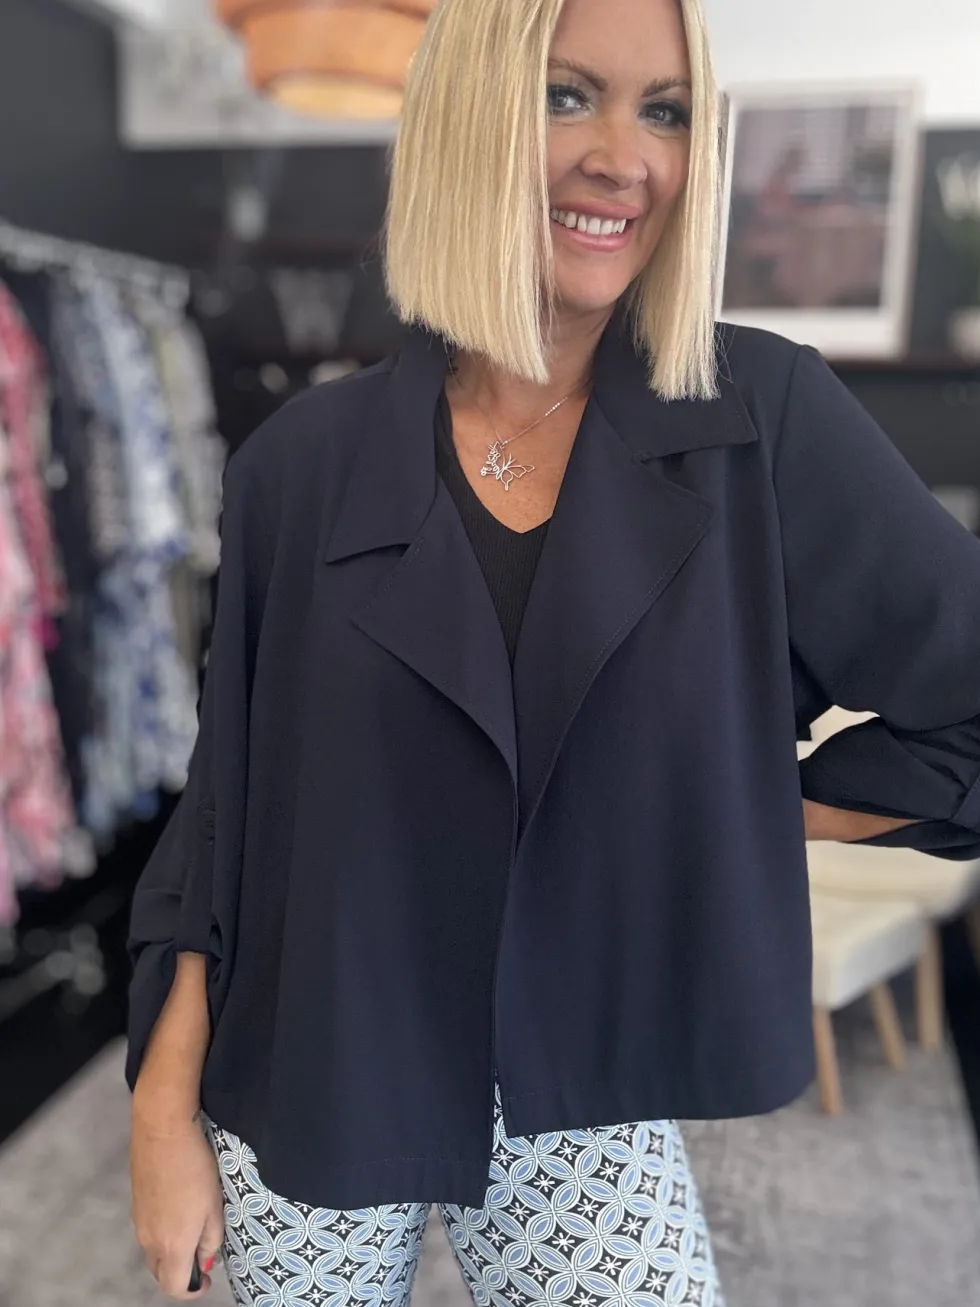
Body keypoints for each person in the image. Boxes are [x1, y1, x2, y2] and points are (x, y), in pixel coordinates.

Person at [126, 0, 980, 1303]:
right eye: (566, 95)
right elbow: (225, 813)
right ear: (468, 118)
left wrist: (757, 805)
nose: (623, 157)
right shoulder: (302, 461)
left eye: (666, 111)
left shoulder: (762, 420)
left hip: (575, 1091)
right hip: (313, 1055)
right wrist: (158, 1113)